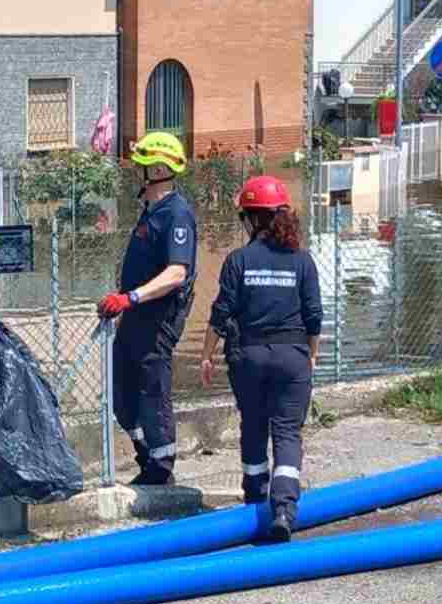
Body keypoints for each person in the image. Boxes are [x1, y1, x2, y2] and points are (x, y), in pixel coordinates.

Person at [199, 175, 322, 543]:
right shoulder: (302, 261)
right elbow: (314, 316)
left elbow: (221, 313)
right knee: (287, 432)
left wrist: (205, 355)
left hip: (248, 358)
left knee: (253, 425)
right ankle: (284, 509)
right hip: (292, 357)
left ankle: (254, 502)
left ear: (252, 219)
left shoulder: (238, 260)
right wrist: (310, 356)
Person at [98, 132, 197, 486]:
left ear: (157, 169)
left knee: (153, 392)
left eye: (141, 164)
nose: (135, 170)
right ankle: (146, 458)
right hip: (135, 317)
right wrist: (124, 297)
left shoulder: (176, 215)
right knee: (121, 392)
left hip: (157, 320)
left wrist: (133, 297)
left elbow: (176, 272)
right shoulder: (151, 212)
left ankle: (161, 470)